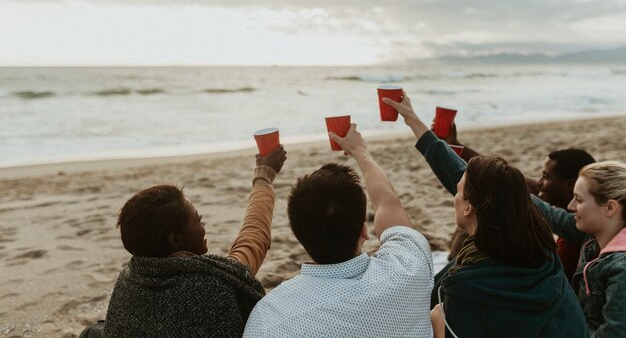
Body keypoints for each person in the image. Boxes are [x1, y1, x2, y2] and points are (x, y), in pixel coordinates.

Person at [383, 93, 589, 338]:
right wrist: (416, 123)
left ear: (469, 206)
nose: (454, 196)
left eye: (458, 192)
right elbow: (499, 183)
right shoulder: (544, 255)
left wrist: (437, 324)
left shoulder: (465, 288)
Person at [243, 125, 433, 338]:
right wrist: (360, 151)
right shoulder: (408, 267)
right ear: (364, 230)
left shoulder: (269, 317)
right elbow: (387, 202)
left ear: (299, 237)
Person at [101, 146, 287, 338]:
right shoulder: (215, 286)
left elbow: (251, 239)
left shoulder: (129, 278)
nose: (203, 224)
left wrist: (263, 177)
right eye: (197, 219)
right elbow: (254, 238)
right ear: (176, 239)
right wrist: (263, 178)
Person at [438, 121, 595, 281]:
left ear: (569, 185)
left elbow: (503, 180)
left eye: (546, 177)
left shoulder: (575, 227)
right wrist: (456, 146)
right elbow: (502, 176)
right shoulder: (576, 217)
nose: (539, 182)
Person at [530, 161, 626, 338]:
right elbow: (549, 214)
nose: (571, 206)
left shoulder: (621, 269)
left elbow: (614, 333)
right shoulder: (592, 238)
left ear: (610, 207)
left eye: (579, 200)